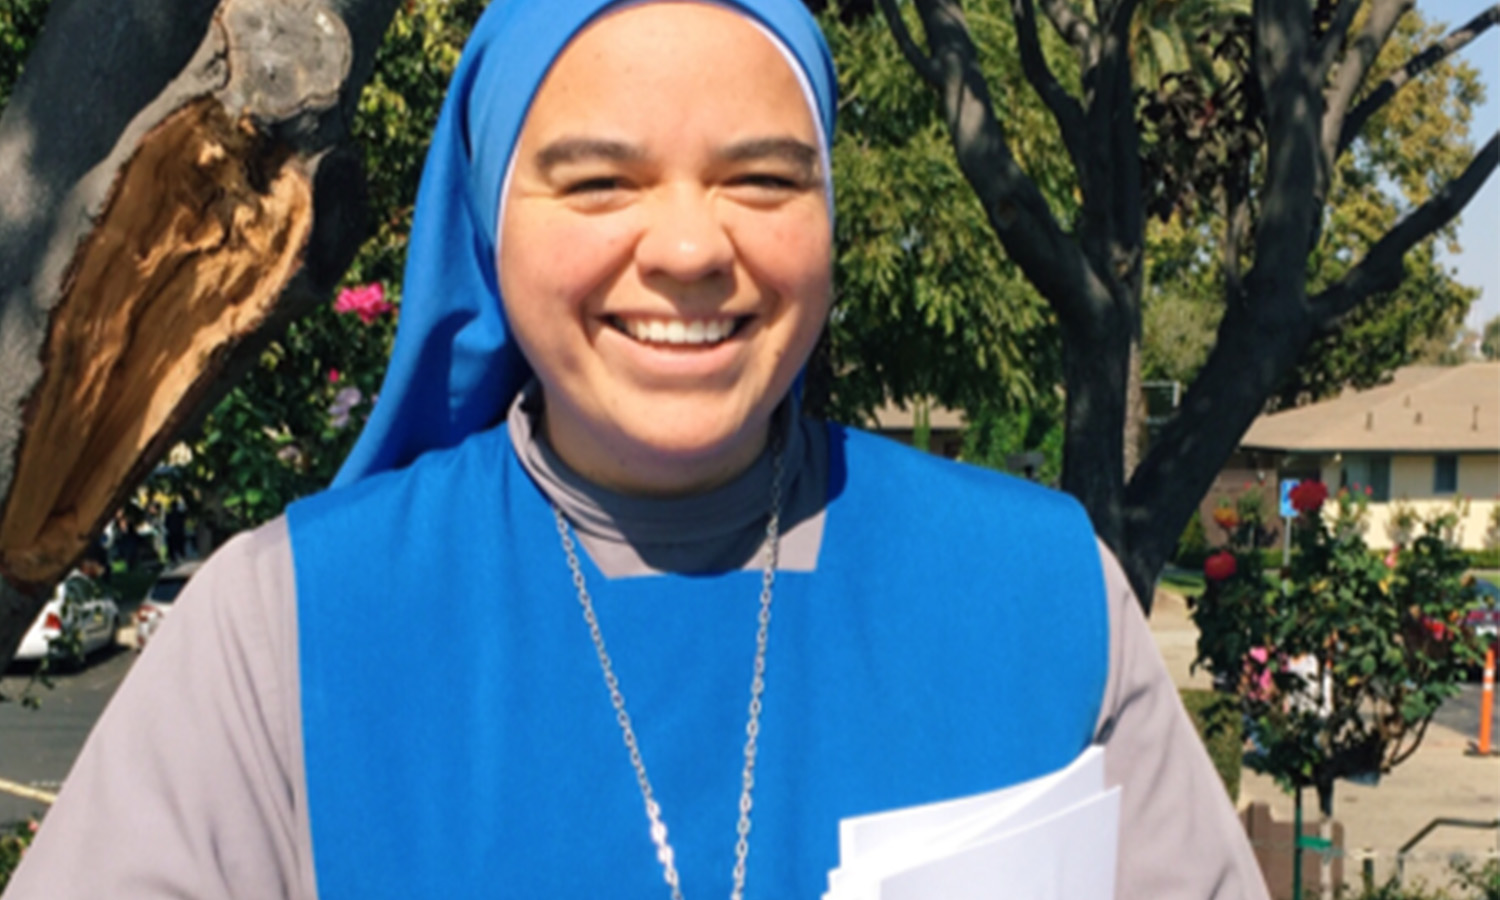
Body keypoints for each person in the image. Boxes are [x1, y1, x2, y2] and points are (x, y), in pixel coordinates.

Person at [6, 1, 1269, 897]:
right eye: (600, 183)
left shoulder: (1040, 592)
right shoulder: (281, 627)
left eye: (764, 180)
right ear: (493, 230)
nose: (687, 249)